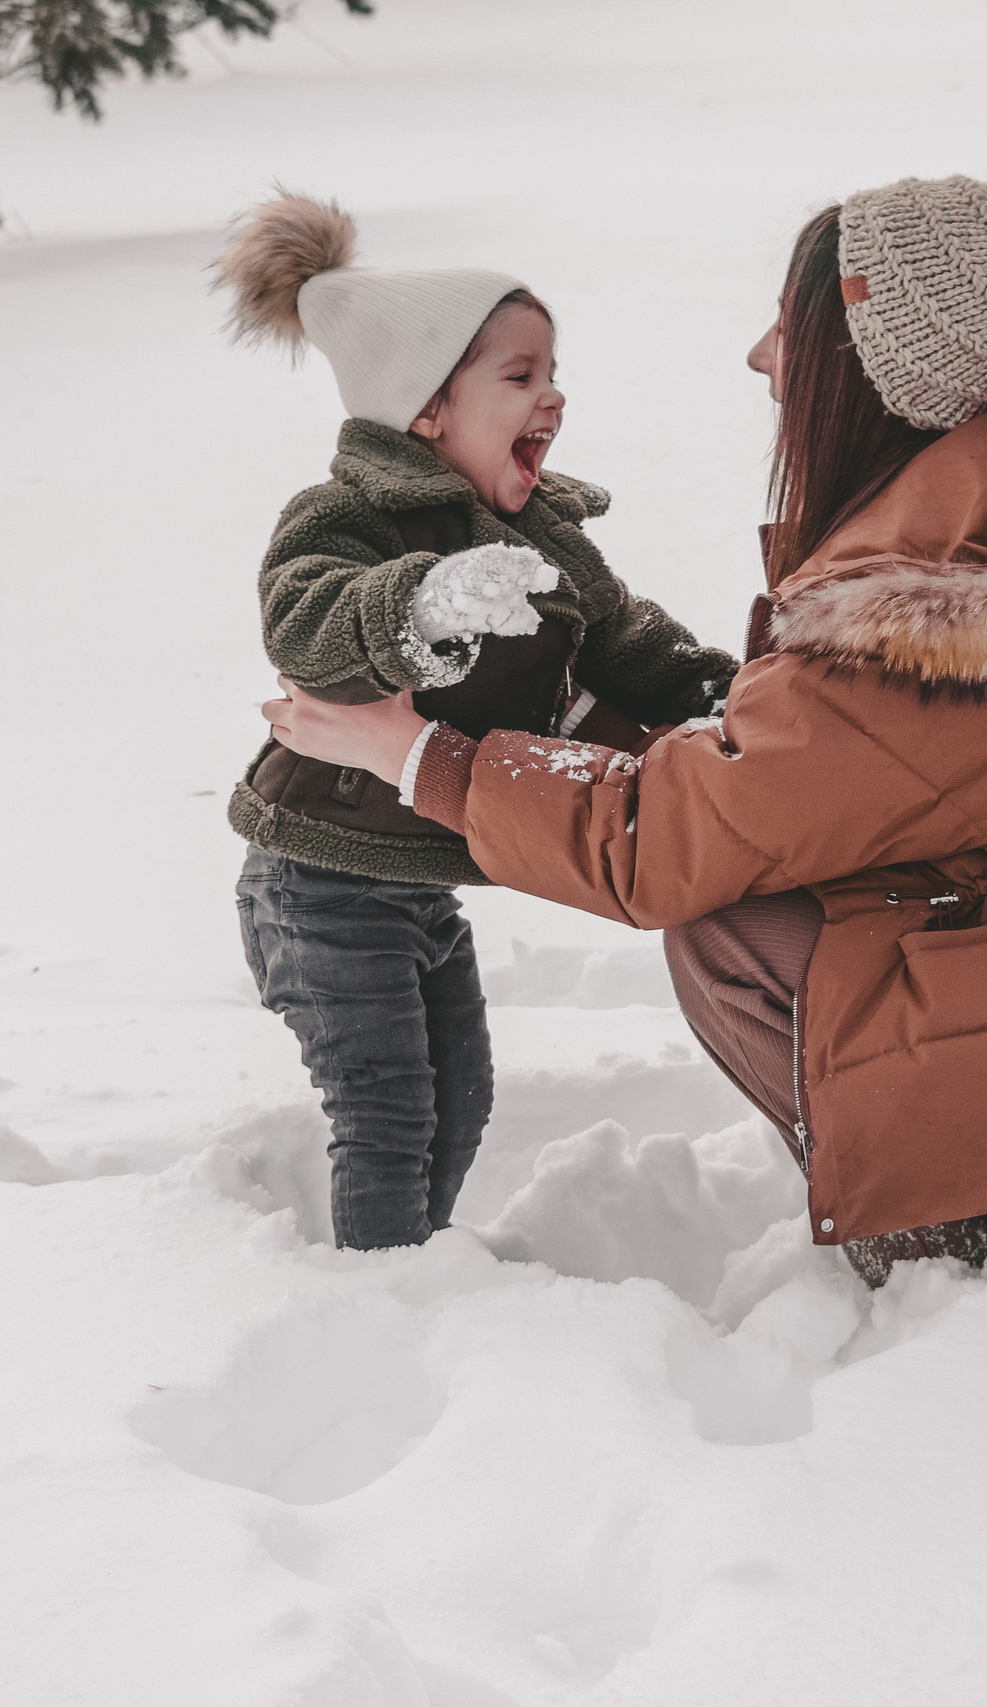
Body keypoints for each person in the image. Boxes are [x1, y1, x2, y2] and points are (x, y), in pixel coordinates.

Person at [258, 153, 987, 1285]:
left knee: (724, 913)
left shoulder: (937, 605)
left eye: (792, 333)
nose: (762, 356)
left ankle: (957, 1243)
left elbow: (662, 846)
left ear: (882, 370)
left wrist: (419, 755)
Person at [219, 193, 737, 1252]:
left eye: (551, 373)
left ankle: (414, 1262)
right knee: (386, 1113)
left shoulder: (539, 537)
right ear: (423, 410)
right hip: (318, 886)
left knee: (463, 1099)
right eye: (518, 376)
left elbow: (624, 643)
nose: (551, 396)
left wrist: (726, 699)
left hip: (416, 885)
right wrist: (424, 605)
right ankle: (376, 1292)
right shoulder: (348, 517)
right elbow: (305, 623)